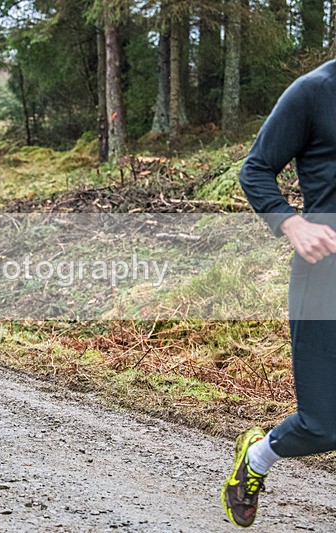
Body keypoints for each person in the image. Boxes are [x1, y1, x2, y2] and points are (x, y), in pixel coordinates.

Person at [222, 59, 336, 527]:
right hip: (324, 272)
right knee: (323, 423)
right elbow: (256, 169)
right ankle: (256, 458)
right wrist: (291, 223)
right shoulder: (312, 92)